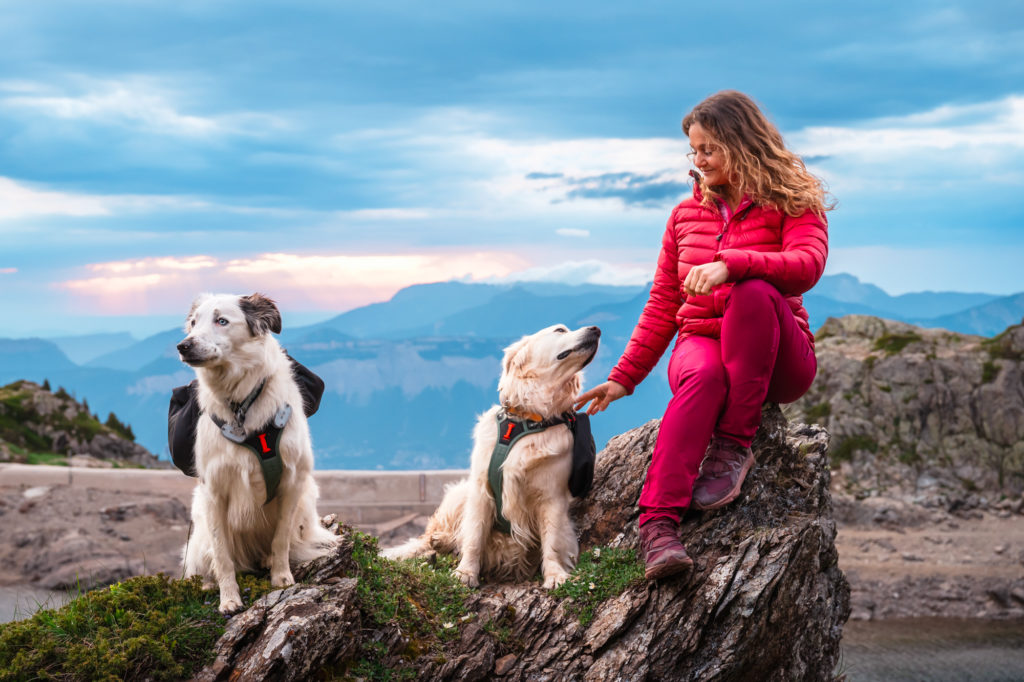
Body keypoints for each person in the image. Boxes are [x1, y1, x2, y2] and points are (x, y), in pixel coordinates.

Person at [575, 90, 831, 580]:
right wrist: (622, 379)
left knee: (754, 291)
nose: (698, 160)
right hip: (701, 344)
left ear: (742, 143)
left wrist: (731, 265)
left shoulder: (793, 202)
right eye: (693, 150)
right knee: (705, 379)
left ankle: (734, 447)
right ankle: (657, 528)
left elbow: (806, 267)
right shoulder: (683, 216)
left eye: (708, 148)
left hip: (778, 356)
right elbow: (663, 303)